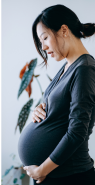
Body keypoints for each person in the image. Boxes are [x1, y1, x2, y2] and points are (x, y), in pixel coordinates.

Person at [18, 4, 95, 185]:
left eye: (45, 38)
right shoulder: (68, 66)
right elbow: (59, 112)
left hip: (71, 177)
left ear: (64, 30)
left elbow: (77, 132)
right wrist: (39, 111)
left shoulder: (84, 69)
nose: (43, 47)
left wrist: (41, 170)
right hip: (55, 176)